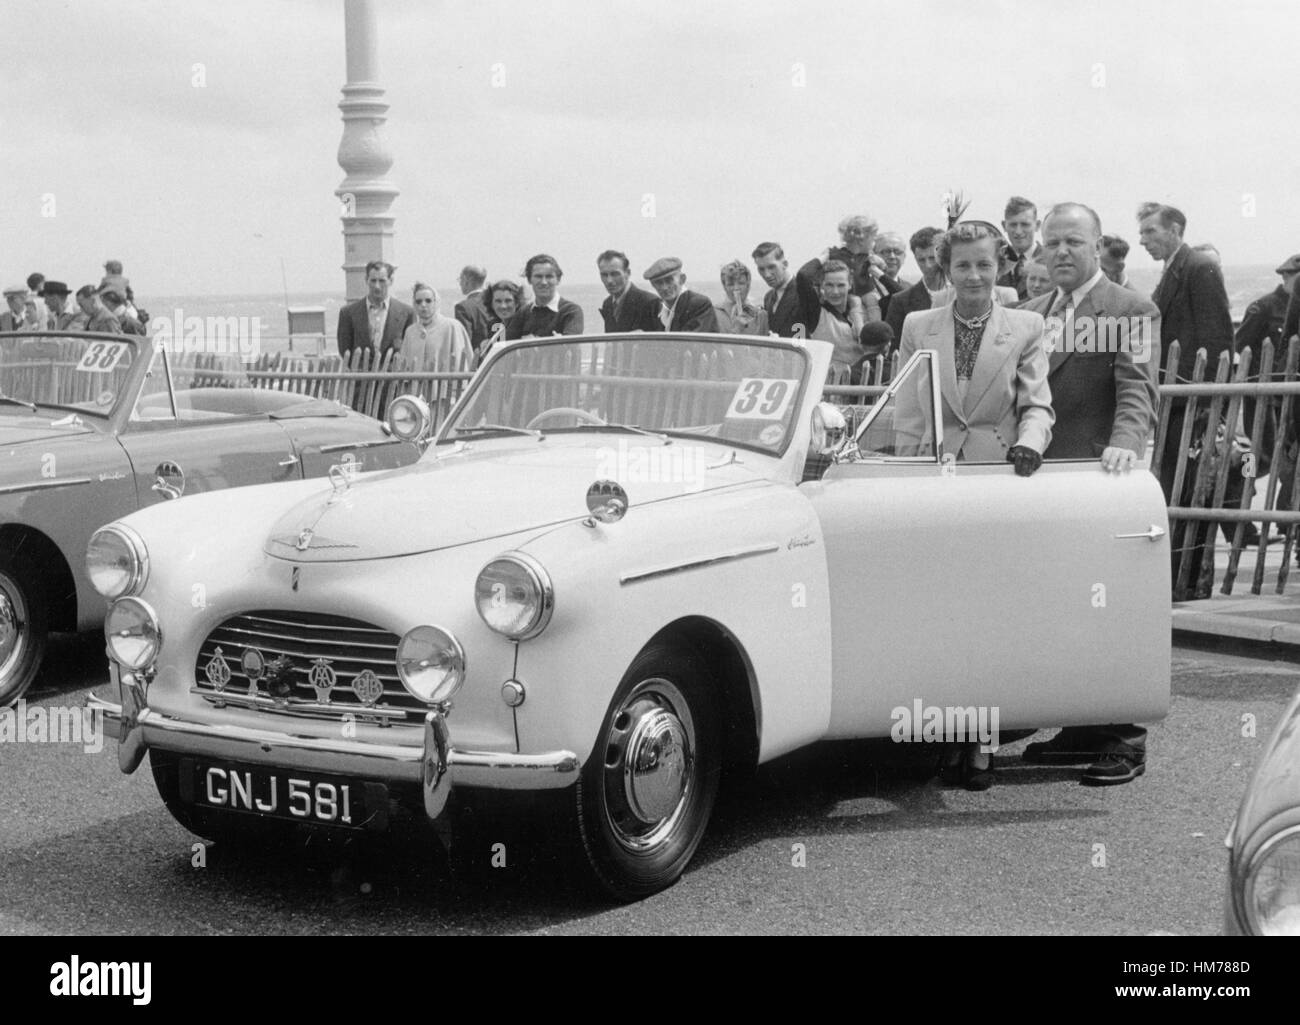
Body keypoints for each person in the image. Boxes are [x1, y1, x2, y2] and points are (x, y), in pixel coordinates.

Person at [895, 221, 1053, 790]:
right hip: (936, 484)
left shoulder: (1028, 326)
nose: (974, 276)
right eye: (963, 265)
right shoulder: (918, 324)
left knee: (988, 614)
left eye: (984, 265)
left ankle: (982, 740)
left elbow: (1038, 405)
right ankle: (946, 732)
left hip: (996, 482)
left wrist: (1029, 447)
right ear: (945, 269)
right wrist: (912, 471)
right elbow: (909, 410)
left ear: (1000, 266)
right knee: (941, 611)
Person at [1018, 202, 1161, 786]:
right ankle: (1078, 725)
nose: (1060, 252)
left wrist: (1125, 443)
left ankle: (1123, 737)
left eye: (1073, 242)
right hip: (1038, 482)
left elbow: (1138, 385)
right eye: (1051, 243)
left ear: (1099, 245)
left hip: (1099, 480)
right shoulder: (1028, 313)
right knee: (1060, 604)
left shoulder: (1132, 309)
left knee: (1110, 604)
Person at [1140, 203, 1234, 600]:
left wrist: (1210, 406)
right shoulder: (1175, 269)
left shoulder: (1198, 267)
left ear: (1175, 229)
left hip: (1193, 404)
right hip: (1175, 402)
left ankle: (1191, 581)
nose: (1143, 241)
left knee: (1191, 491)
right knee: (1174, 491)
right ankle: (1178, 578)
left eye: (1150, 232)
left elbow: (1218, 338)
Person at [1234, 254, 1300, 521]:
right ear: (1284, 277)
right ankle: (1239, 505)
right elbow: (1243, 346)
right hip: (1263, 400)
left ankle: (1287, 516)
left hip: (1288, 400)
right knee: (1257, 458)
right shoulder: (1262, 308)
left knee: (1287, 461)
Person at [337, 260, 414, 360]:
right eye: (373, 281)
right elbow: (344, 349)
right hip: (360, 373)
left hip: (393, 374)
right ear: (366, 280)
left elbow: (409, 348)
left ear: (391, 281)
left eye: (382, 281)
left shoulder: (407, 313)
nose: (377, 286)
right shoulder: (347, 313)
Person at [885, 227, 947, 342]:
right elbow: (893, 348)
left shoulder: (961, 294)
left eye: (932, 258)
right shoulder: (901, 301)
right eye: (921, 260)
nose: (928, 265)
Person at [811, 260, 868, 382]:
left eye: (841, 285)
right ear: (822, 286)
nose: (835, 292)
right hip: (826, 384)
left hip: (860, 384)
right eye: (829, 285)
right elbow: (802, 277)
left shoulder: (862, 310)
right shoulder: (815, 312)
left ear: (850, 284)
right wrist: (820, 259)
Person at [505, 254, 584, 339]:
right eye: (538, 276)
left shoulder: (571, 311)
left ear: (558, 280)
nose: (544, 282)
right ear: (529, 280)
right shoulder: (523, 313)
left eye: (549, 277)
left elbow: (571, 345)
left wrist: (531, 342)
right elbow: (506, 344)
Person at [755, 242, 821, 337]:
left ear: (785, 264)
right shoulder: (768, 297)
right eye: (761, 269)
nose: (767, 274)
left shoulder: (803, 292)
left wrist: (823, 257)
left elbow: (804, 274)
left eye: (771, 267)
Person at [402, 284, 473, 367]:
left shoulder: (452, 326)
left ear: (436, 302)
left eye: (428, 301)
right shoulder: (410, 331)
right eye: (419, 302)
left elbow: (461, 363)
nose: (423, 305)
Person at [643, 258, 718, 332]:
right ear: (653, 285)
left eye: (669, 280)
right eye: (659, 283)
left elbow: (691, 341)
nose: (664, 287)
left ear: (682, 279)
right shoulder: (654, 308)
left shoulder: (699, 304)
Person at [596, 250, 660, 332]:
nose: (609, 281)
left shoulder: (650, 302)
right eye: (604, 275)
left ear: (628, 273)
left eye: (615, 274)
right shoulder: (607, 304)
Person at [997, 196, 1043, 300]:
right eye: (1013, 225)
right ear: (1004, 226)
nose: (1018, 231)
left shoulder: (1049, 261)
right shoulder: (996, 262)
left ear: (1037, 225)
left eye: (1025, 225)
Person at [713, 260, 768, 335]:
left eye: (741, 283)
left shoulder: (760, 315)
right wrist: (736, 329)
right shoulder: (714, 314)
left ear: (748, 285)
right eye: (731, 284)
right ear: (724, 287)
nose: (736, 288)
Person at [453, 265, 493, 356]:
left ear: (466, 280)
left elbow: (464, 343)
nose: (460, 284)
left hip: (477, 364)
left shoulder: (463, 307)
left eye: (460, 280)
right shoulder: (496, 302)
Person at [480, 279, 523, 355]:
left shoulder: (524, 326)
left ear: (517, 303)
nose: (503, 306)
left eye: (508, 301)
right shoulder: (494, 326)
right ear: (491, 304)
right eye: (498, 301)